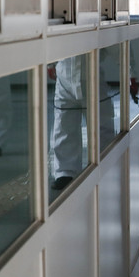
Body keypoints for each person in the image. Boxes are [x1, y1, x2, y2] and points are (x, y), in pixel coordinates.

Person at [49, 55, 115, 190]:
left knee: (101, 125)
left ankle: (106, 163)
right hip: (64, 79)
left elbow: (118, 45)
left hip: (92, 77)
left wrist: (131, 72)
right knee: (64, 125)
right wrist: (50, 64)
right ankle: (64, 172)